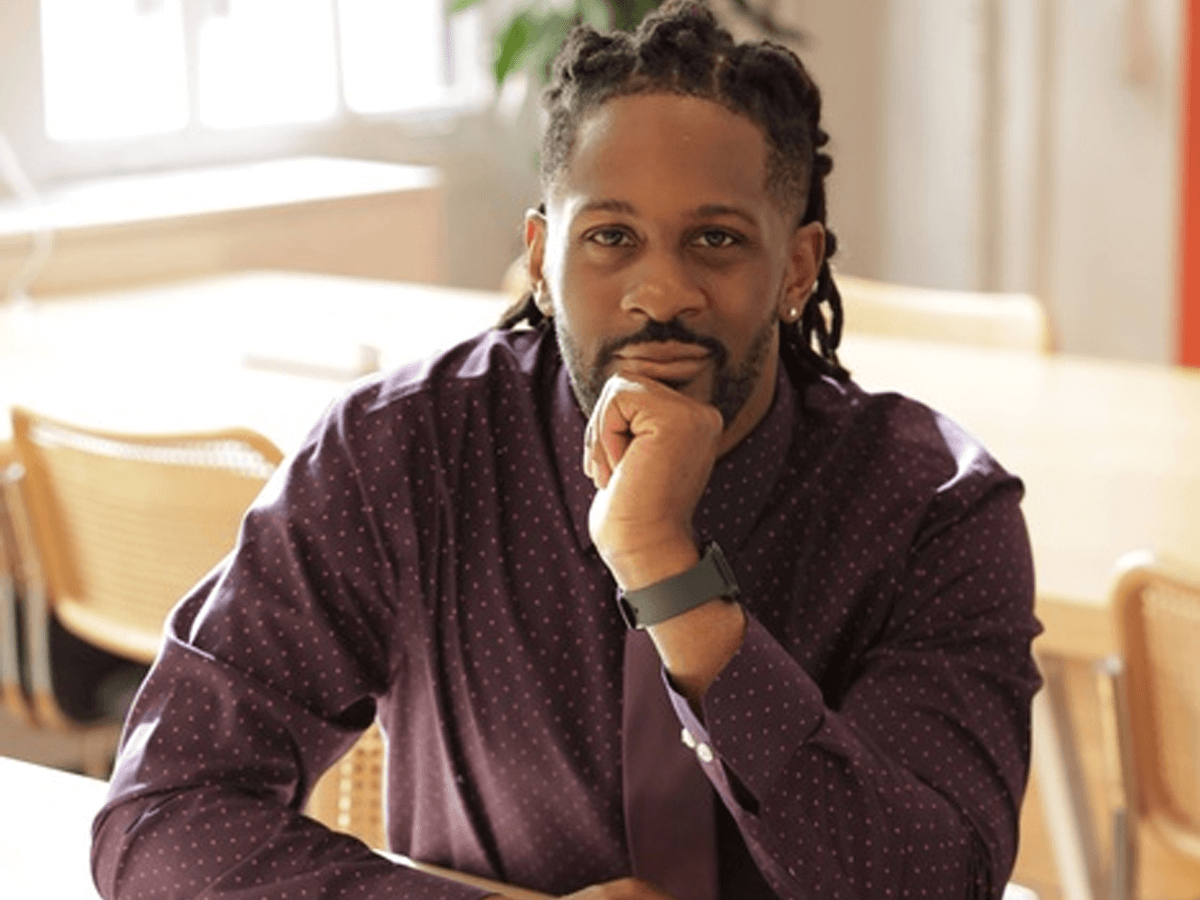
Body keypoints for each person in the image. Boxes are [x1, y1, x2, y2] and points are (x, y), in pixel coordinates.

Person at [92, 3, 1042, 898]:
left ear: (796, 268)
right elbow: (162, 815)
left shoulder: (933, 509)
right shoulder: (401, 452)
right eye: (610, 237)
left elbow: (934, 883)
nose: (659, 292)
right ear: (542, 258)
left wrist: (671, 578)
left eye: (715, 239)